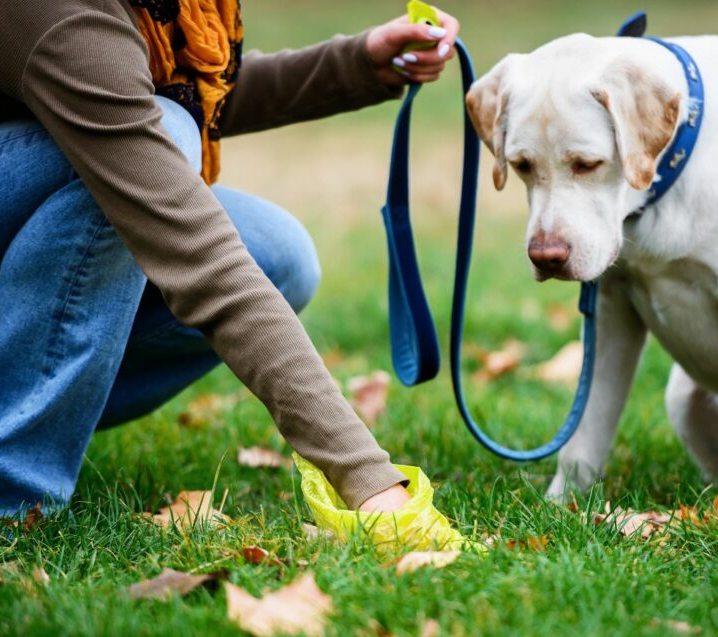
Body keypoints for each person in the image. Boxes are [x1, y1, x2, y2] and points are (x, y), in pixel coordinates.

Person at [0, 1, 460, 517]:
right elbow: (199, 257)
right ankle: (14, 494)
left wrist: (359, 64)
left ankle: (40, 411)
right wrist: (365, 475)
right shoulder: (64, 14)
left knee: (277, 252)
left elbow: (179, 92)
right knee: (167, 132)